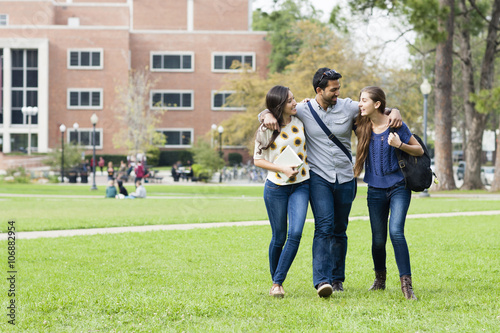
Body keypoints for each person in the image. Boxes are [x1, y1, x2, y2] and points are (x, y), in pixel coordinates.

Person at [261, 67, 402, 297]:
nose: (338, 93)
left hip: (346, 178)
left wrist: (394, 110)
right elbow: (277, 108)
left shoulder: (347, 106)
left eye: (339, 89)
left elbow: (375, 108)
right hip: (319, 178)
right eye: (333, 89)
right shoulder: (303, 109)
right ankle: (322, 281)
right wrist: (265, 114)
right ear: (319, 90)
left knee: (340, 230)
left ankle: (337, 279)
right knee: (324, 227)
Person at [354, 86, 422, 300]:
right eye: (360, 100)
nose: (360, 104)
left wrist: (400, 144)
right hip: (374, 189)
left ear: (377, 104)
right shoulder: (361, 124)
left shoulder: (396, 124)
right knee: (377, 239)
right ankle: (380, 279)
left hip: (399, 187)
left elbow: (419, 149)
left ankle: (406, 285)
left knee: (396, 232)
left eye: (364, 100)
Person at [254, 85, 310, 298]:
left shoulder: (301, 119)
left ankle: (277, 282)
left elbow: (310, 105)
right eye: (289, 101)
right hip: (275, 187)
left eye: (294, 99)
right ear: (279, 105)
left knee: (295, 233)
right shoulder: (266, 128)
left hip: (301, 184)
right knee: (279, 236)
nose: (294, 103)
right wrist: (281, 168)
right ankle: (276, 282)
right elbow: (257, 160)